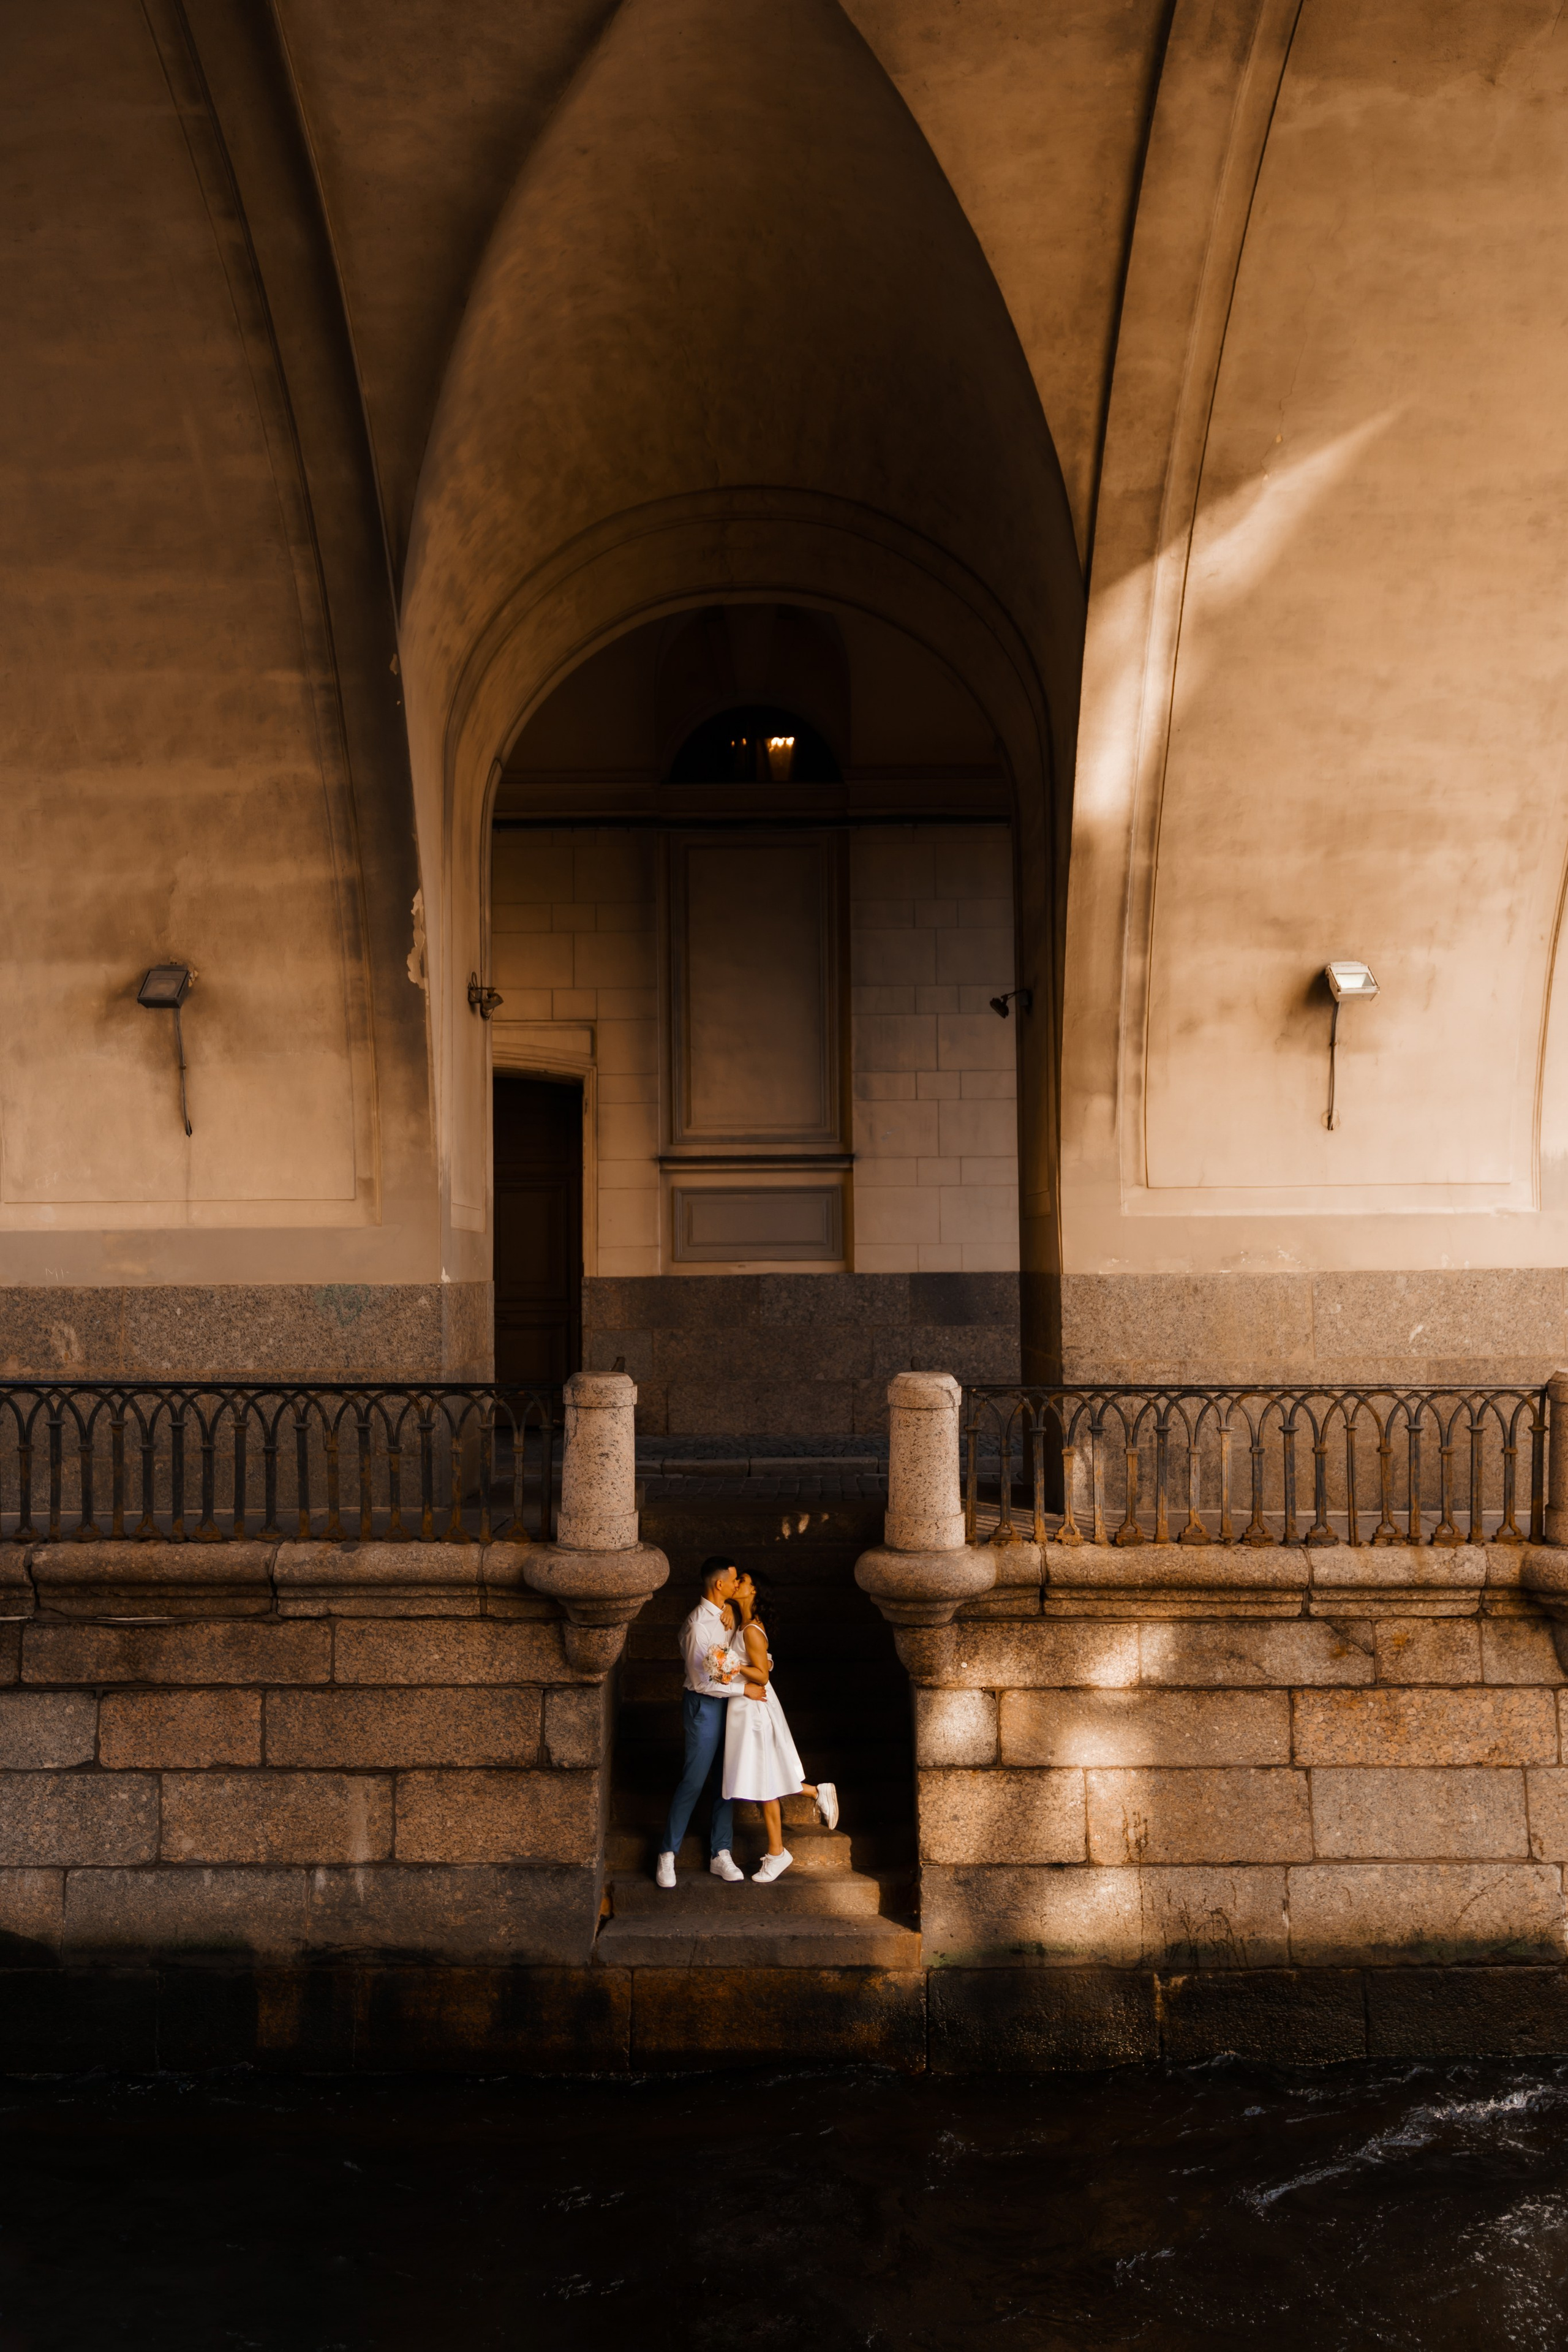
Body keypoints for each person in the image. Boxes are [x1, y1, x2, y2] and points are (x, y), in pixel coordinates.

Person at [722, 1571, 838, 1883]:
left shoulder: (751, 1630)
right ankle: (816, 1792)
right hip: (745, 1707)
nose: (737, 1583)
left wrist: (728, 1664)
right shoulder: (743, 1623)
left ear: (754, 1591)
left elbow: (762, 1674)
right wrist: (728, 1610)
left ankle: (777, 1853)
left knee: (763, 1782)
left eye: (743, 1580)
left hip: (755, 1710)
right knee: (761, 1778)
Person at [654, 1555, 748, 1889]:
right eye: (734, 1580)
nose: (738, 1585)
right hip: (704, 1705)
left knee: (726, 1780)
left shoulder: (728, 1613)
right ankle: (667, 1853)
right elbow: (701, 1682)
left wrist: (733, 1608)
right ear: (719, 1584)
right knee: (694, 1781)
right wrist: (745, 1689)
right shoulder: (698, 1626)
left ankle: (721, 1852)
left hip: (731, 1705)